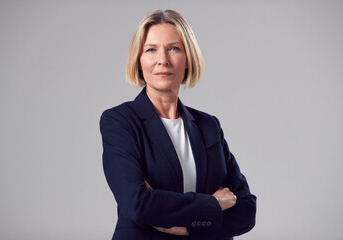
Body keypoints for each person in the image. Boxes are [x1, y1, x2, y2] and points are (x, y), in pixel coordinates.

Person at [99, 9, 256, 240]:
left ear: (188, 59)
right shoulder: (120, 122)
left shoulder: (208, 126)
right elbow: (138, 204)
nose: (163, 59)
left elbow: (246, 211)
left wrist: (188, 227)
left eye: (174, 48)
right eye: (151, 49)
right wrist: (213, 203)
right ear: (139, 62)